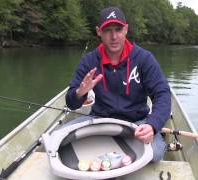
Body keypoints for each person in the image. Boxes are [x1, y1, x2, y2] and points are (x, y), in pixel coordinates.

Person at [66, 6, 171, 162]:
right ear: (98, 31)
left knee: (155, 154)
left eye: (118, 29)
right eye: (107, 30)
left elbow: (162, 94)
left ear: (126, 29)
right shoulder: (90, 61)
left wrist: (152, 125)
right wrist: (79, 93)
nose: (114, 36)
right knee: (59, 139)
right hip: (100, 119)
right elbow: (71, 103)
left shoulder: (143, 58)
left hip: (137, 122)